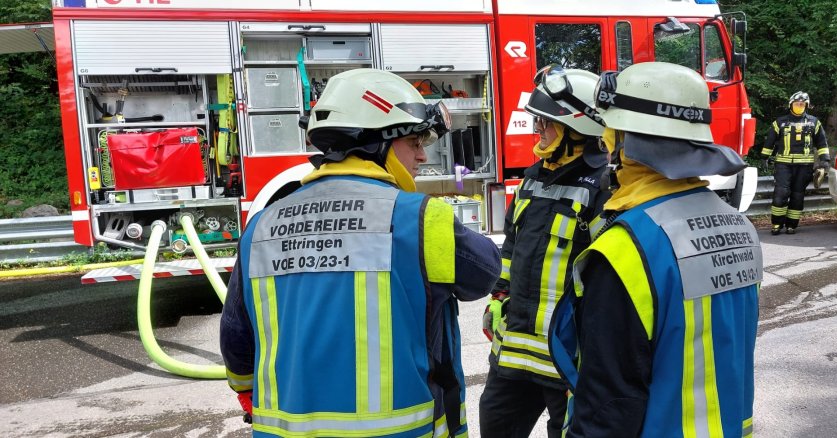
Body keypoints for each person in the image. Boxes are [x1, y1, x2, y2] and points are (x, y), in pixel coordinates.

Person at [219, 68, 501, 438]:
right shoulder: (419, 217)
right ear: (377, 142)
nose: (421, 156)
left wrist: (247, 392)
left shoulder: (261, 226)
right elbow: (484, 273)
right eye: (414, 142)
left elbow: (236, 339)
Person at [548, 62, 762, 437]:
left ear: (627, 141)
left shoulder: (626, 248)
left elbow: (608, 403)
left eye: (610, 133)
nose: (605, 144)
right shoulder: (741, 227)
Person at [479, 66, 612, 438]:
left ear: (577, 128)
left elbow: (607, 279)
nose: (538, 132)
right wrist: (498, 296)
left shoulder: (605, 190)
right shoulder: (532, 176)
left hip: (566, 357)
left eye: (545, 125)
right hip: (514, 350)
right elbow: (512, 246)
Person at [760, 91, 831, 235]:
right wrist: (764, 157)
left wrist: (825, 161)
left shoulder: (814, 122)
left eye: (802, 104)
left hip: (804, 166)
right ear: (790, 104)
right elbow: (770, 141)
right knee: (781, 193)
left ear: (806, 106)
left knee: (798, 196)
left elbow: (822, 143)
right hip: (783, 165)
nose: (799, 106)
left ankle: (792, 225)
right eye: (797, 104)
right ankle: (776, 224)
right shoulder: (779, 122)